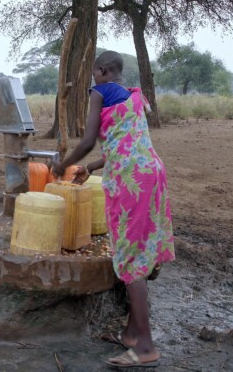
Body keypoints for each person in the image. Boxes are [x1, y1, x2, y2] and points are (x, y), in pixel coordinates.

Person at [52, 51, 174, 369]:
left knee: (131, 257)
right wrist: (90, 168)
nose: (93, 79)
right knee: (141, 248)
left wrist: (63, 164)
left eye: (95, 73)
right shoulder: (134, 97)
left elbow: (88, 140)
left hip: (131, 179)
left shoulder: (100, 92)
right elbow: (125, 143)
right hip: (151, 173)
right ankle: (132, 334)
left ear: (103, 71)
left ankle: (145, 347)